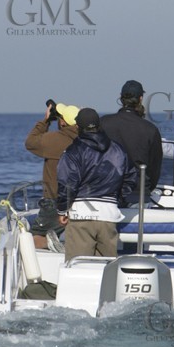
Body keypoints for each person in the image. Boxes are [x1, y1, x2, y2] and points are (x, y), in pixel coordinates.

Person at [56, 108, 137, 261]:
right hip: (109, 214)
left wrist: (62, 210)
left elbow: (67, 183)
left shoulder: (73, 151)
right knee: (106, 268)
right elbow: (131, 177)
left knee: (78, 265)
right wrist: (118, 198)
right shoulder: (118, 150)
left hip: (81, 215)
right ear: (99, 125)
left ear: (78, 127)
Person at [24, 100, 79, 241]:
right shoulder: (85, 140)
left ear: (62, 122)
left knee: (36, 237)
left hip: (55, 199)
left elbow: (30, 142)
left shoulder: (55, 139)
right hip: (79, 199)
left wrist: (46, 121)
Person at [100, 80, 164, 191]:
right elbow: (155, 168)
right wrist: (146, 189)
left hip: (107, 190)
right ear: (140, 99)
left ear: (121, 98)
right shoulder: (150, 129)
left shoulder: (103, 122)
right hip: (138, 192)